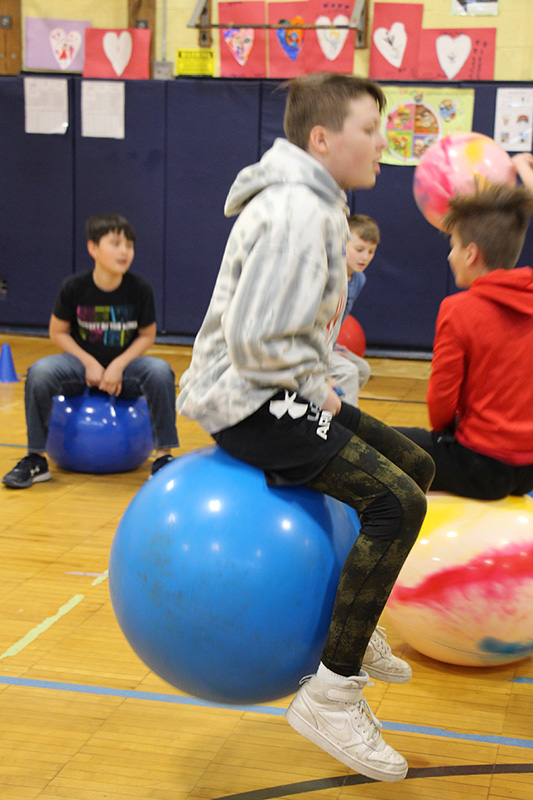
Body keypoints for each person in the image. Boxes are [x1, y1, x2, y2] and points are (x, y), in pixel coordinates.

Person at [177, 73, 434, 782]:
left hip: (278, 390)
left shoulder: (316, 202)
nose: (383, 142)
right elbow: (259, 342)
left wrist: (315, 382)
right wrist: (317, 390)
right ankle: (331, 692)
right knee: (397, 503)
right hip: (250, 402)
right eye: (368, 129)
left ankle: (354, 621)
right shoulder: (299, 210)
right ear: (321, 139)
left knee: (416, 468)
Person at [3, 213, 179, 489]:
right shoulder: (74, 287)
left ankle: (163, 458)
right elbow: (57, 331)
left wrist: (119, 364)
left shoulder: (140, 288)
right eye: (116, 244)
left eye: (130, 245)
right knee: (39, 372)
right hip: (79, 366)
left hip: (126, 368)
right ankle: (35, 459)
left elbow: (147, 335)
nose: (125, 251)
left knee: (160, 372)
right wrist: (88, 362)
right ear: (93, 248)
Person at [396, 182, 533, 500]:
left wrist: (448, 430)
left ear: (471, 253)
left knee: (371, 442)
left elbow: (440, 403)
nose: (449, 255)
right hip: (529, 472)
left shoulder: (459, 309)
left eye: (454, 246)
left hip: (479, 468)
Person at [329, 213, 379, 404]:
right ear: (342, 243)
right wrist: (325, 348)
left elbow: (338, 319)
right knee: (348, 372)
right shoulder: (330, 275)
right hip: (309, 347)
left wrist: (332, 344)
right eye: (359, 249)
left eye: (371, 251)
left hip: (326, 345)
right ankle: (346, 433)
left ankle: (329, 417)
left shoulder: (359, 279)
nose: (365, 257)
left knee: (362, 369)